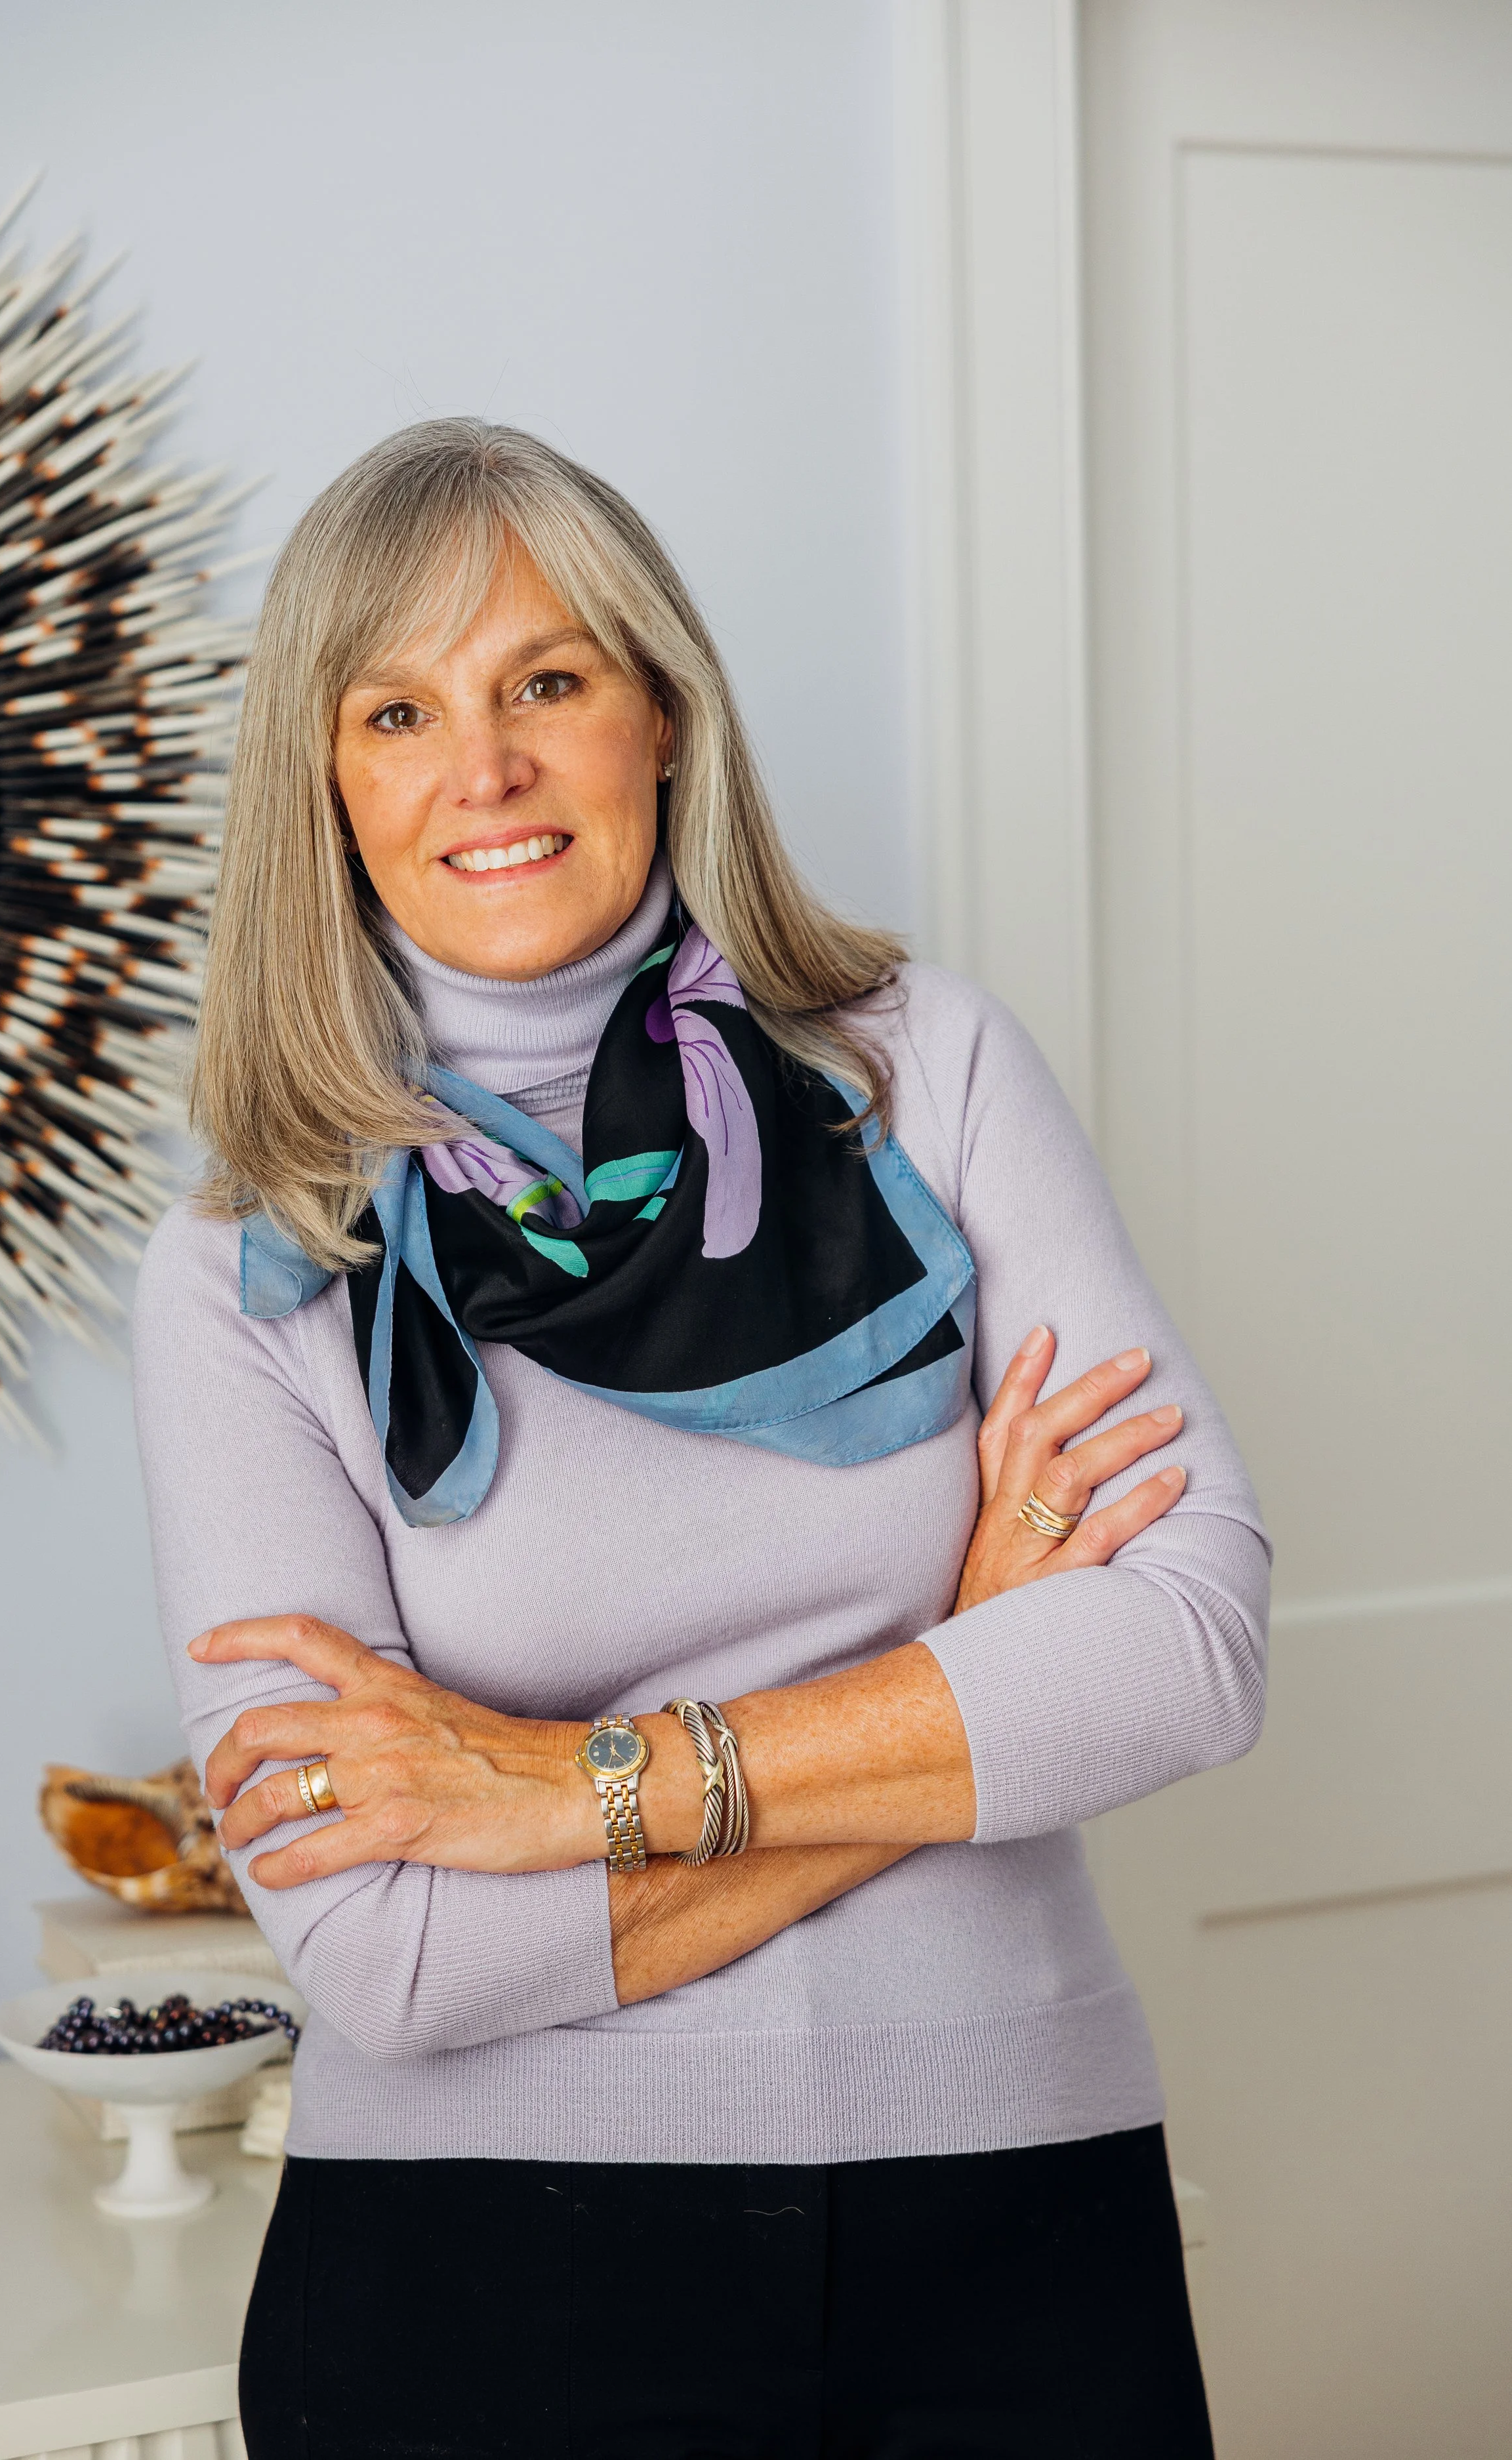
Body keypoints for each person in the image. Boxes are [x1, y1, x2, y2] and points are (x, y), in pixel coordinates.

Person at [133, 419, 1269, 2460]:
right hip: (481, 2282)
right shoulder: (247, 1264)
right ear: (327, 788)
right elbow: (388, 1947)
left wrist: (559, 1785)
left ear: (659, 710)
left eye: (543, 681)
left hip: (1014, 2214)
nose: (481, 766)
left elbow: (1183, 1648)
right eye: (398, 709)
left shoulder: (923, 1070)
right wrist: (957, 1689)